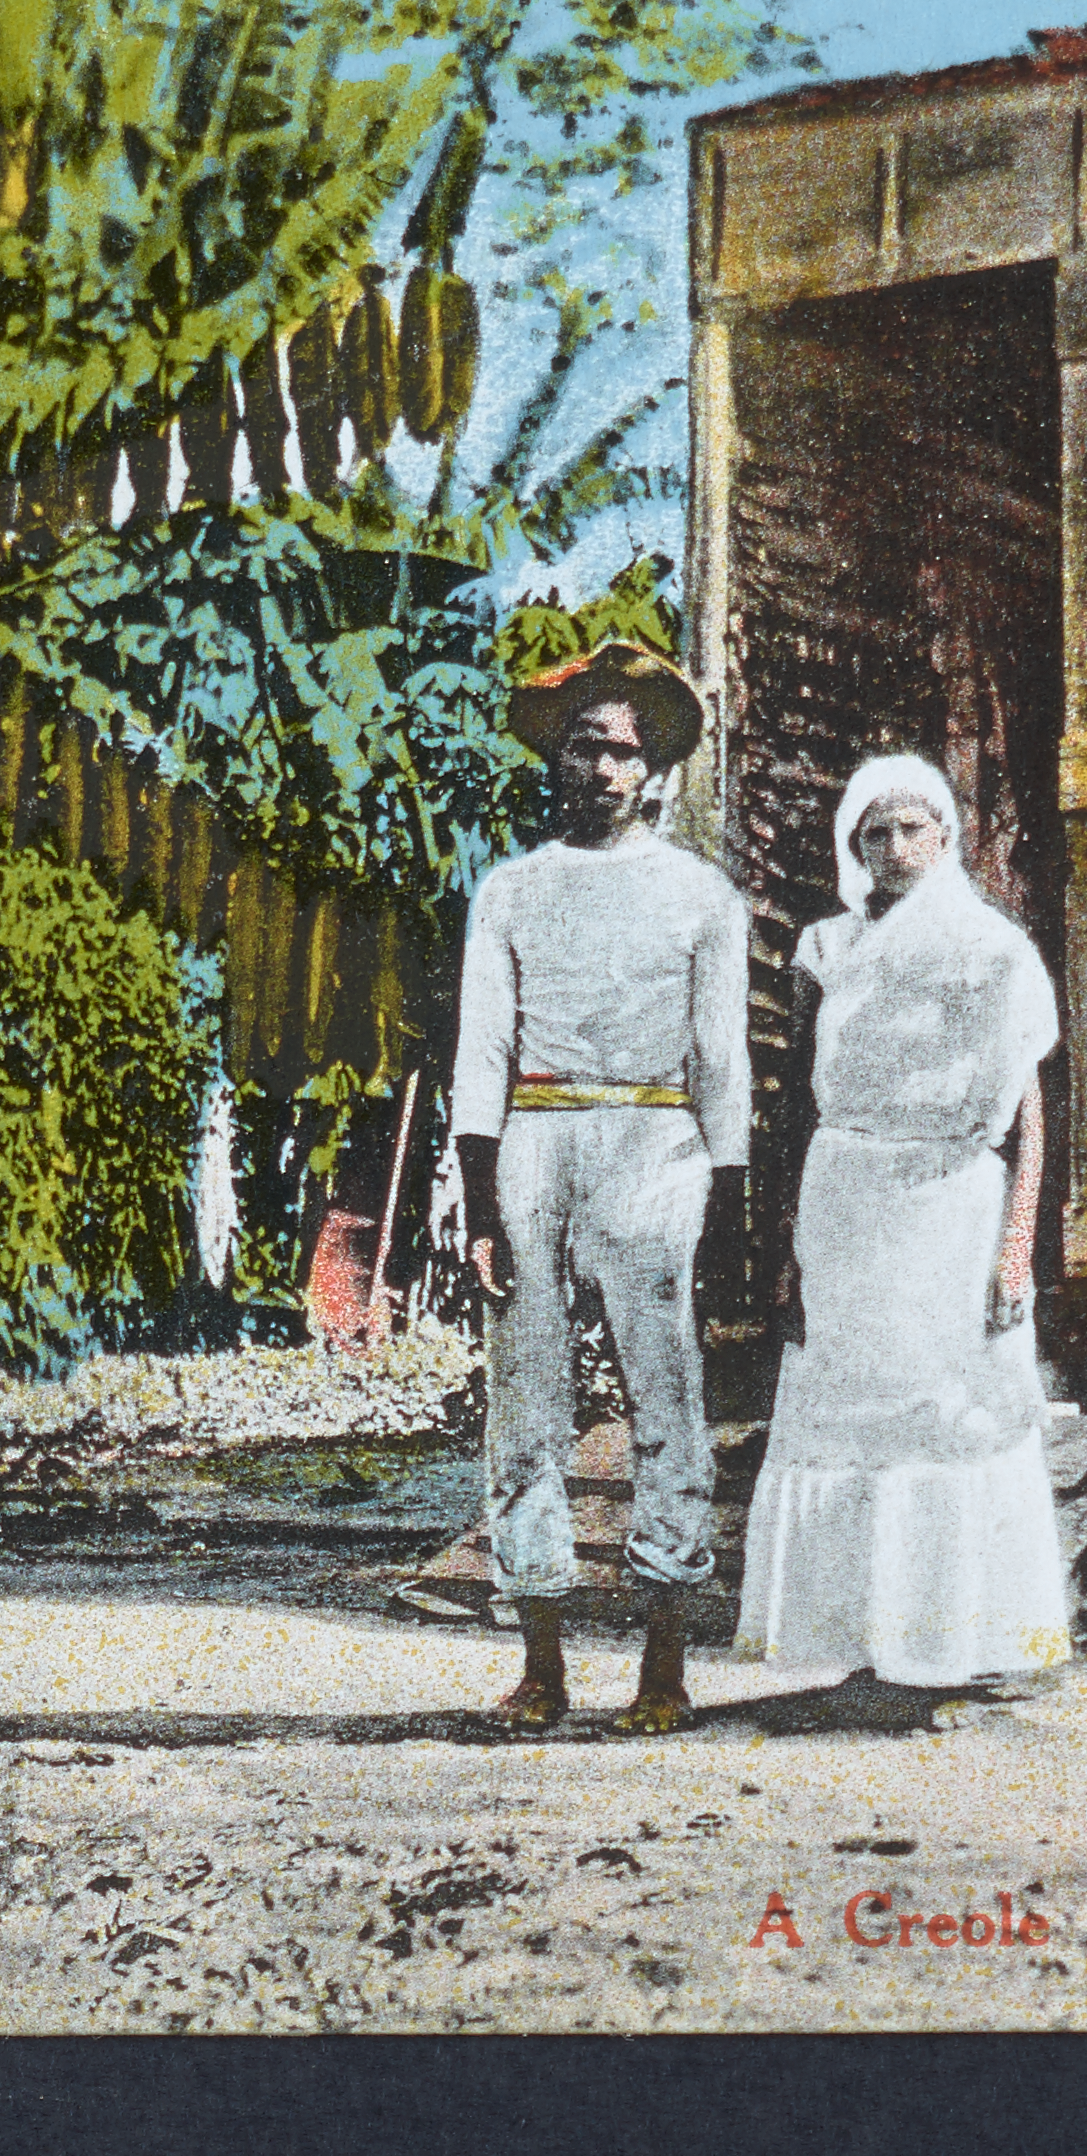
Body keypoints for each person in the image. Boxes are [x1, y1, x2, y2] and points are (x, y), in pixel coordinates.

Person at [448, 640, 748, 1735]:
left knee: (663, 1394)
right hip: (535, 1136)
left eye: (622, 751)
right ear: (556, 759)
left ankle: (663, 1665)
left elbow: (721, 1057)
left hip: (654, 1141)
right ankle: (541, 1660)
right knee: (526, 1398)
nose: (602, 770)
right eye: (583, 747)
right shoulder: (512, 891)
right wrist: (481, 1201)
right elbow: (481, 1050)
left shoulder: (700, 896)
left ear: (653, 767)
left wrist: (728, 1199)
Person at [735, 754, 1072, 1685]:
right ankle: (861, 1642)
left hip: (952, 1204)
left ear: (946, 835)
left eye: (912, 827)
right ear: (854, 847)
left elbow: (1030, 1120)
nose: (894, 847)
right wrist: (785, 1246)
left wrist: (1015, 1247)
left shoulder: (992, 950)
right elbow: (793, 1107)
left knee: (951, 1417)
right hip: (846, 1203)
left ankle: (963, 1643)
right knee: (848, 1418)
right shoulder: (823, 950)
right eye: (873, 832)